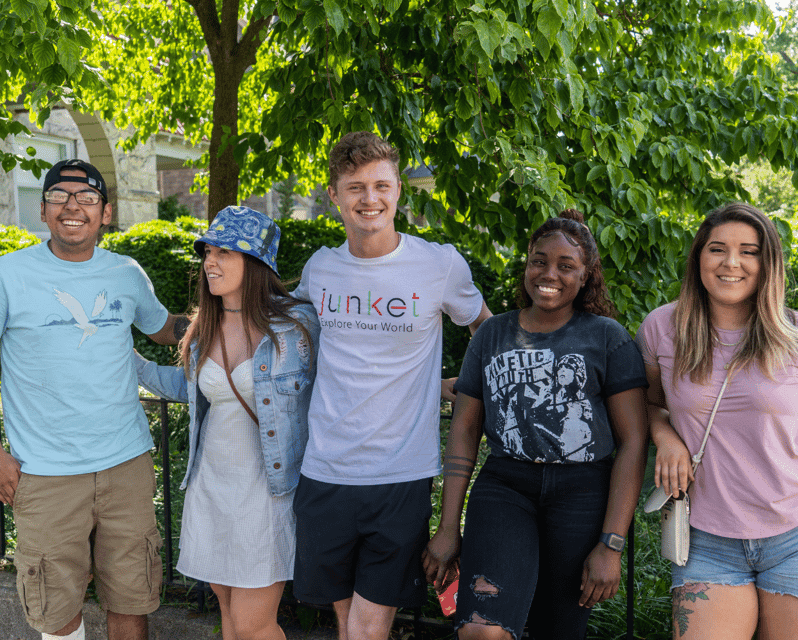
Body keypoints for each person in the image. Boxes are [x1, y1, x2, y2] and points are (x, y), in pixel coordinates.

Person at [290, 131, 491, 640]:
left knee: (370, 622)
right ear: (333, 195)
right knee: (346, 619)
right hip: (324, 469)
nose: (370, 198)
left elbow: (486, 332)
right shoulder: (320, 268)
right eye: (355, 187)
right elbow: (284, 331)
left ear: (399, 189)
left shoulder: (438, 264)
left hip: (400, 473)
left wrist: (467, 385)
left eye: (381, 185)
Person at [423, 210, 649, 640]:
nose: (550, 273)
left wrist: (612, 542)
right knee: (480, 630)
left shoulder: (607, 337)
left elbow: (634, 442)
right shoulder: (492, 335)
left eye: (566, 266)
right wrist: (448, 526)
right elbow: (465, 432)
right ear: (526, 265)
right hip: (506, 486)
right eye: (539, 261)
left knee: (558, 631)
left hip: (583, 494)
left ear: (585, 276)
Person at [0, 159, 183, 640]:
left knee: (132, 597)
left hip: (126, 465)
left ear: (106, 213)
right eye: (59, 196)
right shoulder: (8, 274)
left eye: (87, 197)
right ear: (42, 211)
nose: (72, 206)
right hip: (45, 473)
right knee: (55, 610)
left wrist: (237, 309)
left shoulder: (126, 272)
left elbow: (164, 330)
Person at [637, 202, 798, 640]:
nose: (731, 263)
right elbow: (647, 404)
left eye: (749, 251)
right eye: (717, 249)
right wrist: (665, 435)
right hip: (707, 536)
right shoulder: (662, 329)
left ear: (769, 263)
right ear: (698, 258)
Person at [133, 206, 319, 640]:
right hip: (211, 487)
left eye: (224, 253)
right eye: (208, 252)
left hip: (267, 493)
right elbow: (185, 389)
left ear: (256, 264)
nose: (210, 262)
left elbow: (347, 380)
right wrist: (128, 358)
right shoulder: (204, 326)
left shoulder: (297, 327)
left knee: (256, 625)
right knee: (232, 621)